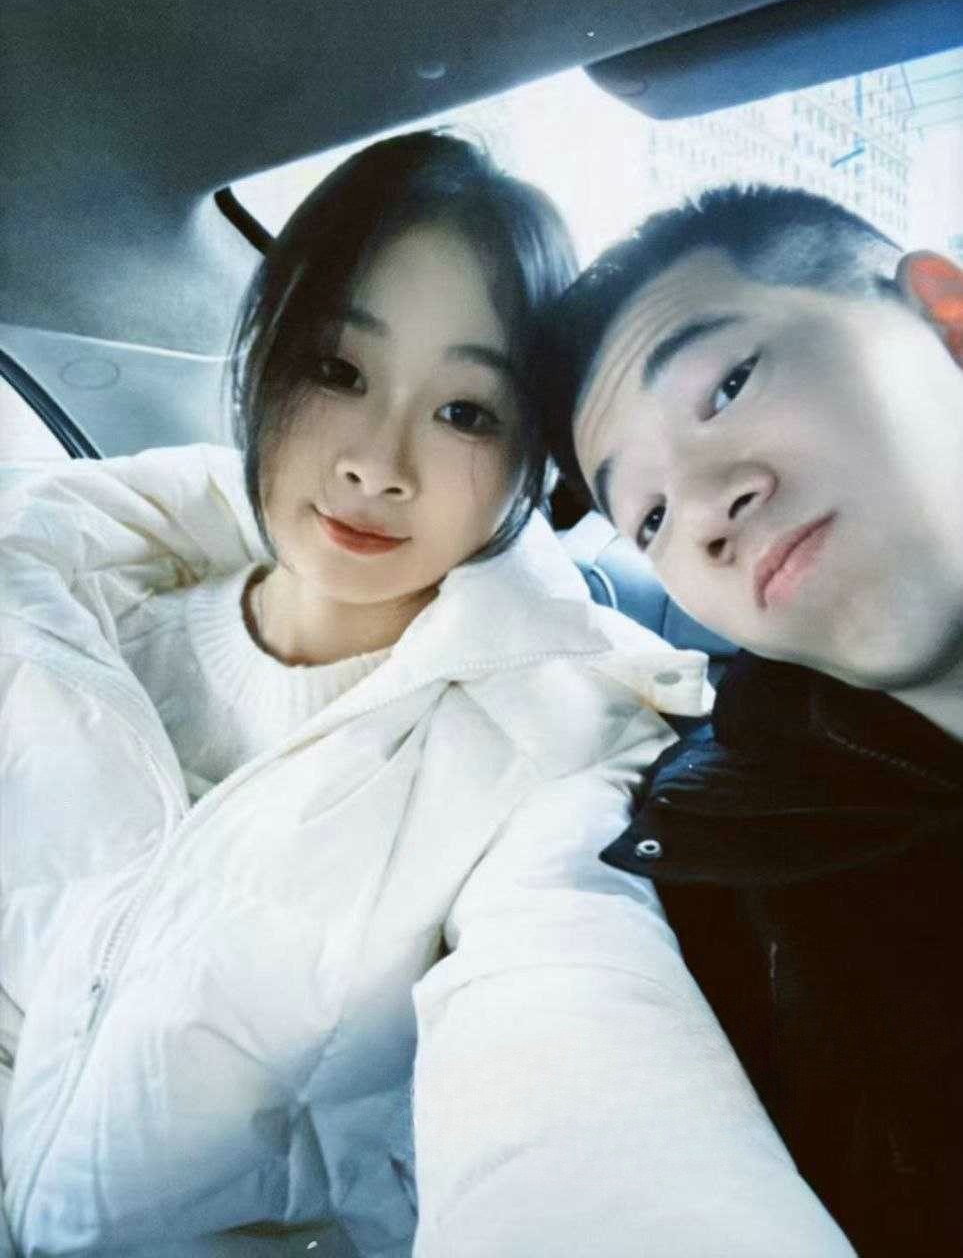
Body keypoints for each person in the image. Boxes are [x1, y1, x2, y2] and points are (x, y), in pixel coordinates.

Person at [0, 140, 852, 1258]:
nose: (378, 464)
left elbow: (572, 1040)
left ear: (533, 463)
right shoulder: (66, 627)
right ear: (260, 366)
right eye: (337, 371)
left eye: (465, 412)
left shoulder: (567, 742)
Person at [549, 183, 963, 1256]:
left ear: (944, 314)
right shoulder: (730, 897)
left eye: (728, 385)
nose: (699, 511)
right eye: (646, 516)